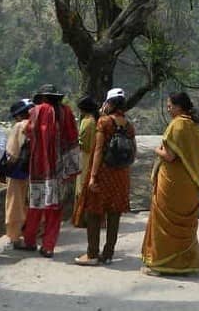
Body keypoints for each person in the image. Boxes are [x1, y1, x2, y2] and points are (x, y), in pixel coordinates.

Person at [141, 91, 199, 276]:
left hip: (172, 184)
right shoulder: (194, 124)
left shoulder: (177, 125)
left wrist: (156, 149)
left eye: (170, 106)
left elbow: (170, 156)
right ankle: (186, 265)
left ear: (179, 106)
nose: (168, 109)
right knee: (185, 224)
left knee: (164, 223)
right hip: (189, 184)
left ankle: (160, 264)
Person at [14, 85, 80, 257]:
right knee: (55, 208)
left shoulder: (37, 111)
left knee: (35, 206)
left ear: (43, 97)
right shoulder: (66, 111)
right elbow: (73, 138)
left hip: (40, 167)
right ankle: (49, 246)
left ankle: (29, 241)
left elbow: (28, 130)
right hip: (60, 170)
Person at [74, 88, 135, 266]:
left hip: (103, 174)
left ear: (110, 103)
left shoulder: (104, 122)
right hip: (121, 175)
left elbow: (99, 151)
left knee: (94, 213)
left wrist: (92, 177)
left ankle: (92, 254)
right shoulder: (129, 125)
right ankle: (108, 254)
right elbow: (133, 151)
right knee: (114, 214)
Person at [4, 98, 34, 244]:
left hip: (18, 171)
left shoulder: (19, 127)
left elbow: (12, 153)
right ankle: (32, 232)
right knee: (31, 202)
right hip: (35, 170)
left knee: (15, 203)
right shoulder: (40, 125)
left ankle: (14, 235)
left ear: (18, 115)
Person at [72, 95, 101, 228]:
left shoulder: (87, 122)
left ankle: (82, 218)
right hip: (88, 156)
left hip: (85, 157)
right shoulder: (93, 120)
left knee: (82, 187)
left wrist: (75, 143)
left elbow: (85, 143)